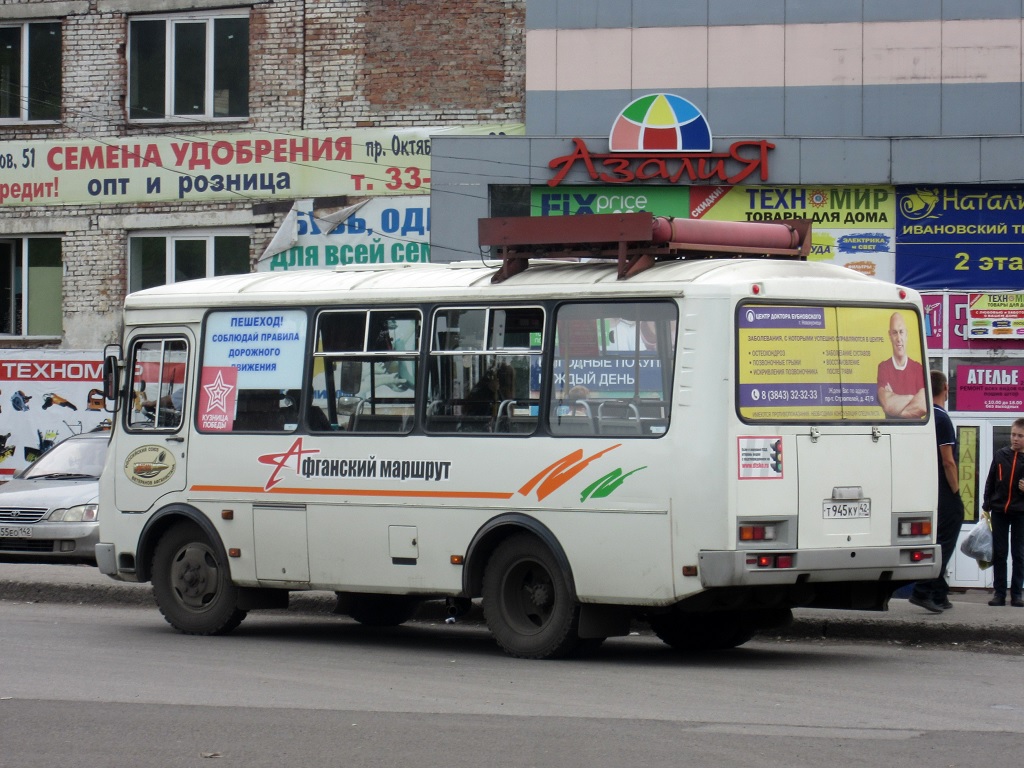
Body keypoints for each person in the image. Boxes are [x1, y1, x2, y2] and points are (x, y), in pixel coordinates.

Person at [909, 371, 964, 613]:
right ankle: (923, 590)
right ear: (946, 389)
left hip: (928, 488)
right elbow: (948, 461)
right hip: (944, 490)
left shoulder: (925, 417)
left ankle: (939, 593)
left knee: (939, 540)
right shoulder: (941, 419)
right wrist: (957, 490)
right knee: (945, 541)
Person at [982, 417, 1024, 607]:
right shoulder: (1001, 455)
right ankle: (999, 594)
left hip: (1020, 512)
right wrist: (986, 505)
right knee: (1000, 553)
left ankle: (1017, 594)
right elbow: (990, 480)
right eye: (1013, 434)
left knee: (1019, 554)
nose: (1015, 439)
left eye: (1020, 436)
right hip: (999, 510)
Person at [877, 312, 927, 419]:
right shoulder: (884, 367)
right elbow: (888, 405)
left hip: (913, 432)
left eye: (901, 332)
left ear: (906, 334)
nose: (899, 338)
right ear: (889, 335)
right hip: (890, 430)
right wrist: (912, 398)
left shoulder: (917, 368)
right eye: (895, 333)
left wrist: (896, 410)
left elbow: (923, 406)